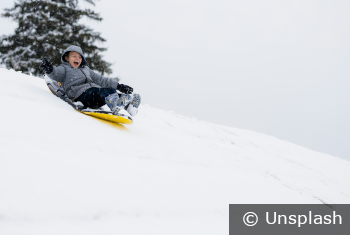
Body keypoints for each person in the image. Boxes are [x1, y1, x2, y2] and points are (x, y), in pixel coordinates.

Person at [39, 45, 140, 116]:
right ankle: (114, 105)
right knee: (105, 92)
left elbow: (101, 79)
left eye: (79, 57)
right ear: (66, 58)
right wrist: (50, 69)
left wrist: (119, 86)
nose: (77, 59)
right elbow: (56, 74)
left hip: (94, 94)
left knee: (110, 92)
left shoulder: (86, 69)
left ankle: (129, 106)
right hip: (80, 95)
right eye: (74, 56)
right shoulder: (64, 68)